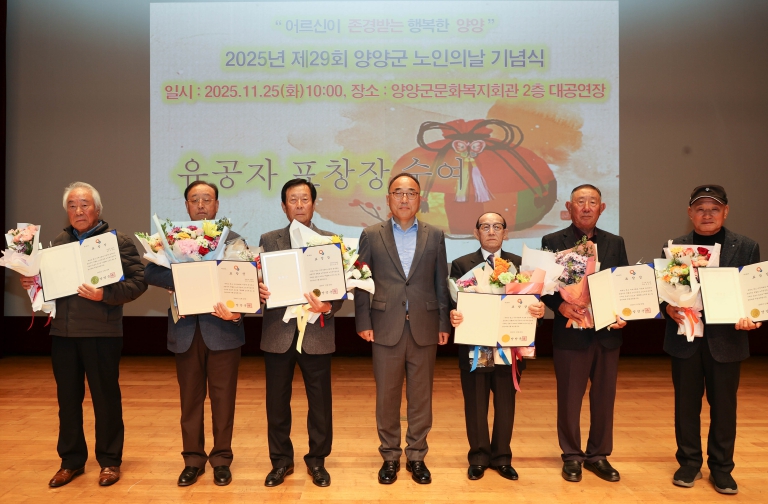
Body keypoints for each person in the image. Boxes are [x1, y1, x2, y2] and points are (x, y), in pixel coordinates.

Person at [20, 182, 146, 487]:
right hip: (63, 334)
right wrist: (34, 283)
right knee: (67, 401)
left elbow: (139, 281)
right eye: (72, 206)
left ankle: (110, 461)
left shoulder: (117, 241)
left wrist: (105, 294)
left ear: (98, 209)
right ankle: (71, 461)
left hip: (102, 332)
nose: (78, 211)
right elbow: (52, 287)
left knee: (105, 400)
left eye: (85, 205)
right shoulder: (56, 244)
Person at [144, 180, 244, 487]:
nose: (201, 204)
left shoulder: (234, 240)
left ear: (217, 205)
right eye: (194, 199)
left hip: (223, 328)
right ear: (186, 205)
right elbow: (150, 271)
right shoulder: (172, 239)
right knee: (190, 400)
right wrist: (185, 276)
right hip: (185, 329)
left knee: (223, 400)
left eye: (207, 199)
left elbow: (245, 276)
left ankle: (222, 459)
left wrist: (238, 307)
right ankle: (193, 460)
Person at [662, 185, 760, 495]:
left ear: (725, 212)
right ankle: (689, 462)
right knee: (685, 406)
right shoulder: (674, 247)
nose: (707, 214)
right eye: (700, 209)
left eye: (714, 209)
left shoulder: (746, 246)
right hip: (685, 339)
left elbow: (754, 291)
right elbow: (665, 292)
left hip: (727, 340)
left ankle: (722, 467)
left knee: (724, 408)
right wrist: (668, 308)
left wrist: (753, 315)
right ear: (690, 213)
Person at [354, 172, 451, 485]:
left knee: (421, 397)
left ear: (420, 199)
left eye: (411, 193)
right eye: (398, 192)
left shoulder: (435, 235)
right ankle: (390, 456)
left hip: (425, 325)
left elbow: (440, 281)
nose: (405, 198)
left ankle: (417, 456)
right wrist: (363, 321)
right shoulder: (371, 234)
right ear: (388, 199)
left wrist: (442, 322)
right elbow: (361, 281)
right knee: (387, 396)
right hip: (384, 326)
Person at [257, 178, 343, 488]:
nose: (299, 205)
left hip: (316, 333)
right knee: (276, 404)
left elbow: (340, 290)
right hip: (278, 333)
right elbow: (258, 284)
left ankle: (317, 461)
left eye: (305, 199)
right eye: (292, 200)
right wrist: (258, 290)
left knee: (320, 403)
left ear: (314, 204)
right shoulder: (269, 239)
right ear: (284, 206)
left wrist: (328, 306)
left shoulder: (329, 240)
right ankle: (281, 461)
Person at [540, 184, 628, 483]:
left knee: (604, 397)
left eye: (593, 202)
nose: (587, 207)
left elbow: (622, 284)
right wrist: (561, 306)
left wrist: (623, 313)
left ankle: (598, 454)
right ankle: (572, 455)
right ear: (569, 207)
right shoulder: (553, 241)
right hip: (570, 333)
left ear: (602, 208)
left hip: (607, 333)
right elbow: (543, 286)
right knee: (569, 397)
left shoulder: (615, 242)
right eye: (581, 201)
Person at [449, 212, 546, 481]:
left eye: (497, 226)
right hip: (476, 346)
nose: (491, 231)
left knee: (505, 404)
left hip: (509, 346)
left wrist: (538, 311)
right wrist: (453, 315)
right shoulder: (461, 264)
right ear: (476, 232)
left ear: (505, 232)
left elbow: (531, 303)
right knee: (476, 404)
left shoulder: (520, 265)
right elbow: (453, 303)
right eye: (485, 226)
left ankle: (502, 457)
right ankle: (478, 457)